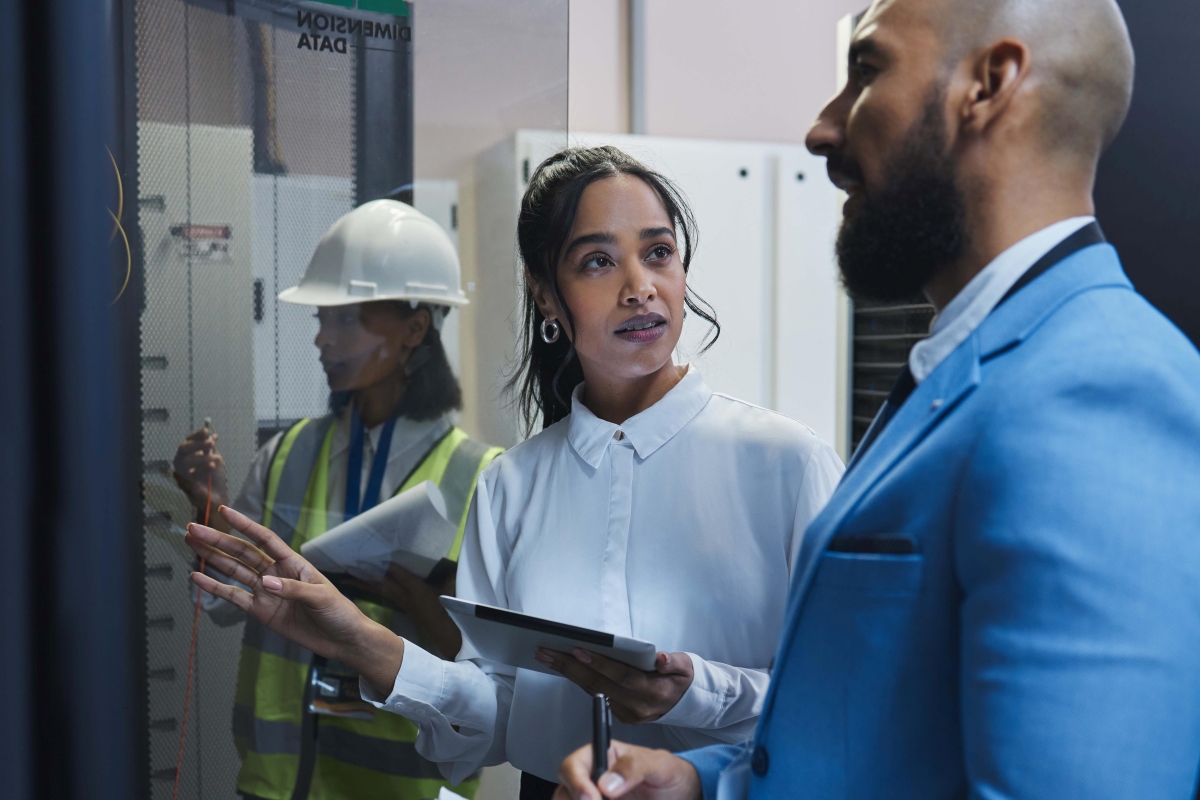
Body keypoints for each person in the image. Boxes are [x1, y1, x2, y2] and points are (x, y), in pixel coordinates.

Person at [553, 0, 1200, 798]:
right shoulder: (966, 370)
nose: (823, 129)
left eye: (865, 70)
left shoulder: (1100, 394)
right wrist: (702, 782)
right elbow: (889, 740)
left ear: (989, 85)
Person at [182, 146, 845, 799]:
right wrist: (359, 639)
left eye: (658, 252)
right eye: (598, 261)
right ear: (546, 295)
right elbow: (494, 712)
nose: (640, 285)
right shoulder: (512, 484)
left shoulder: (787, 464)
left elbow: (848, 695)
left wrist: (697, 690)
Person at [172, 200, 503, 800]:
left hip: (405, 788)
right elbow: (225, 606)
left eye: (346, 319)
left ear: (415, 328)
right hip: (279, 784)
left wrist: (424, 607)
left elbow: (494, 679)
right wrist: (209, 507)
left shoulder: (483, 478)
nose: (323, 339)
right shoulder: (289, 454)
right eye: (321, 318)